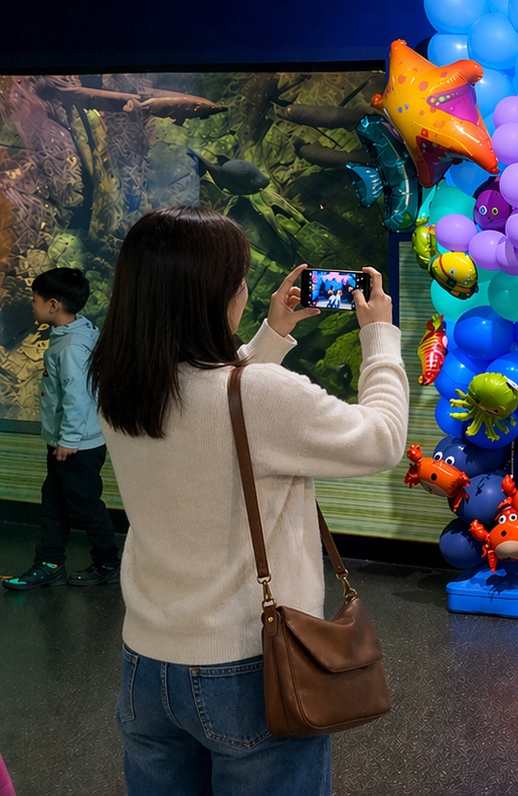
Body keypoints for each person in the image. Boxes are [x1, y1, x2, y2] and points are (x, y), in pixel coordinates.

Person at [88, 207, 409, 796]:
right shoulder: (261, 394)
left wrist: (273, 335)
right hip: (248, 667)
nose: (243, 290)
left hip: (146, 663)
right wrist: (380, 337)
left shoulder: (120, 385)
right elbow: (382, 439)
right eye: (237, 278)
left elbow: (221, 411)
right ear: (211, 295)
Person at [3, 267, 120, 590]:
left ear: (53, 305)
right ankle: (49, 562)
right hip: (71, 441)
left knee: (84, 504)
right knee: (54, 500)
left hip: (75, 445)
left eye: (35, 300)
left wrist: (67, 439)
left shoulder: (69, 348)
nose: (31, 305)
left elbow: (77, 396)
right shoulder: (79, 333)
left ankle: (109, 563)